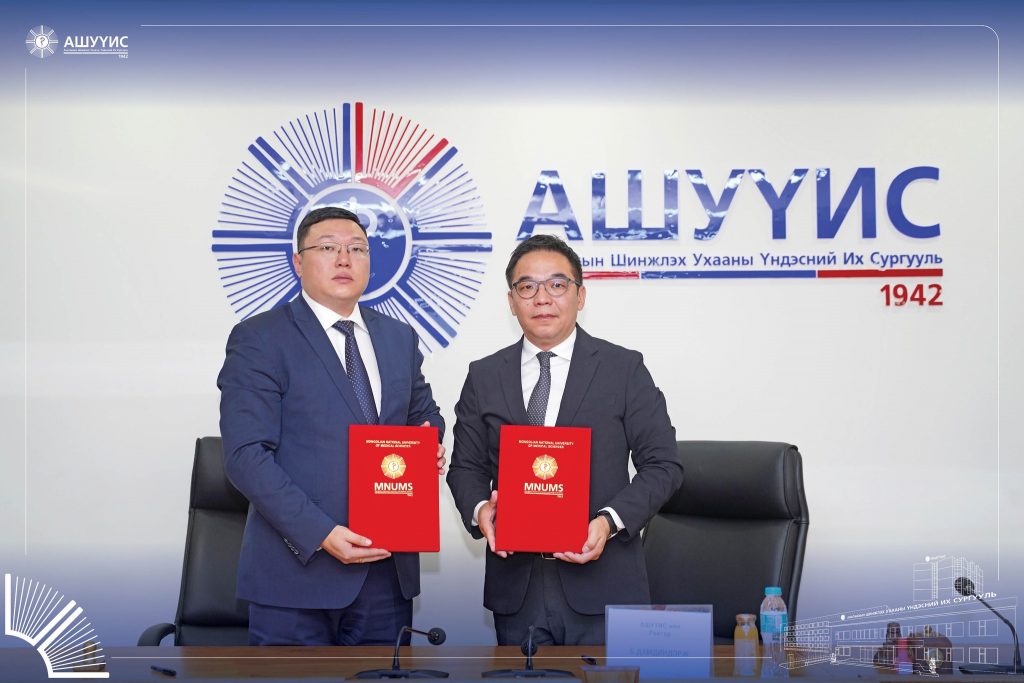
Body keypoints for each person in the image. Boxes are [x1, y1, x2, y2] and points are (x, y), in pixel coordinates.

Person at [218, 206, 445, 646]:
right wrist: (320, 534)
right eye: (327, 248)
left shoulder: (398, 337)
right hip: (295, 578)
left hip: (385, 575)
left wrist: (428, 441)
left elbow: (425, 415)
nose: (344, 259)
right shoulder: (260, 338)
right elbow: (245, 456)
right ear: (298, 262)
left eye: (357, 249)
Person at [446, 234, 684, 646]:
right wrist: (481, 510)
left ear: (580, 295)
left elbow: (664, 465)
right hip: (517, 589)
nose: (542, 298)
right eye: (527, 287)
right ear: (511, 301)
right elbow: (465, 467)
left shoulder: (623, 369)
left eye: (557, 285)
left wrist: (607, 523)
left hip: (604, 584)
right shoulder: (484, 376)